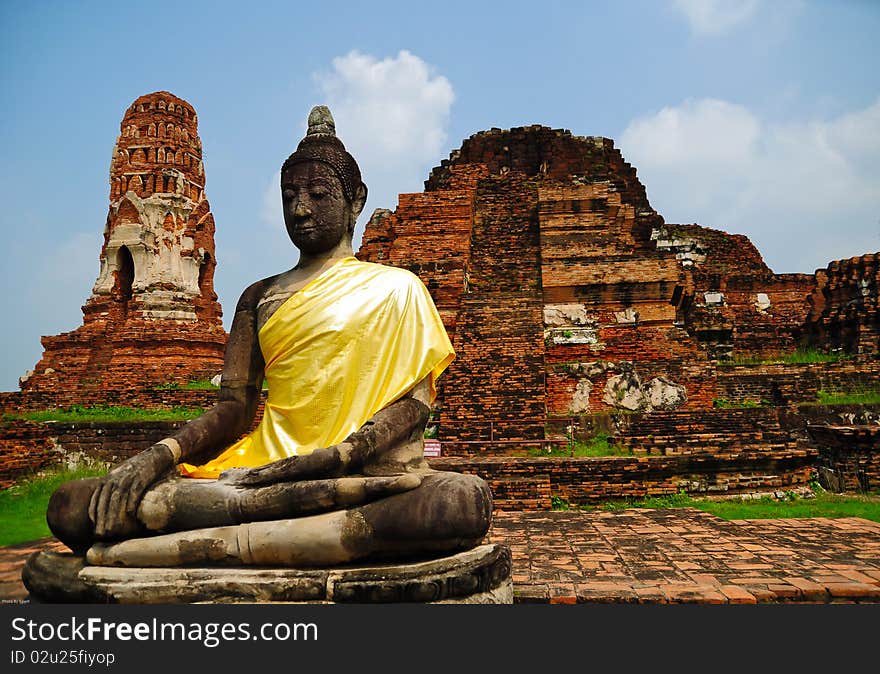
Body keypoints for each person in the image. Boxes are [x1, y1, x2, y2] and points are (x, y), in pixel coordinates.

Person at [47, 106, 491, 567]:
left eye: (319, 194)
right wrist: (159, 456)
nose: (300, 209)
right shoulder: (259, 296)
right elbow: (233, 411)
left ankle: (161, 552)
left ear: (355, 200)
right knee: (72, 506)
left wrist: (340, 457)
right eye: (289, 196)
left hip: (354, 473)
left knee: (458, 503)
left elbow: (414, 404)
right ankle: (301, 537)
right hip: (263, 474)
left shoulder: (398, 288)